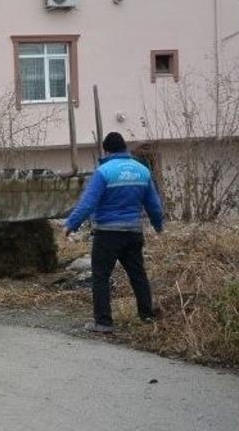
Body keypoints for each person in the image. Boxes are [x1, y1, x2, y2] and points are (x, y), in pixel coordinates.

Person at [64, 132, 164, 333]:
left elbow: (88, 203)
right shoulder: (142, 171)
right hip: (133, 232)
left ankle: (103, 322)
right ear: (124, 148)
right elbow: (154, 204)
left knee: (101, 276)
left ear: (106, 150)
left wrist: (71, 224)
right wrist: (158, 224)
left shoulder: (104, 171)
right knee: (138, 274)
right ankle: (146, 316)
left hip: (108, 233)